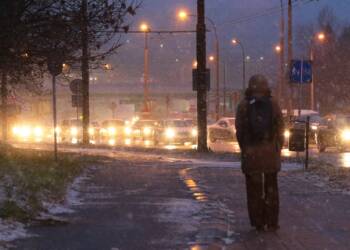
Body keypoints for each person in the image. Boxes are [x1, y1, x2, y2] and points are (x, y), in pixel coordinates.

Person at [235, 74, 284, 232]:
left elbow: (239, 131)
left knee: (253, 189)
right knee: (272, 188)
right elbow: (280, 129)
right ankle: (272, 221)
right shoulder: (274, 104)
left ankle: (257, 222)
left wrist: (245, 148)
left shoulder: (243, 105)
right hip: (270, 153)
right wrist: (276, 147)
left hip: (251, 154)